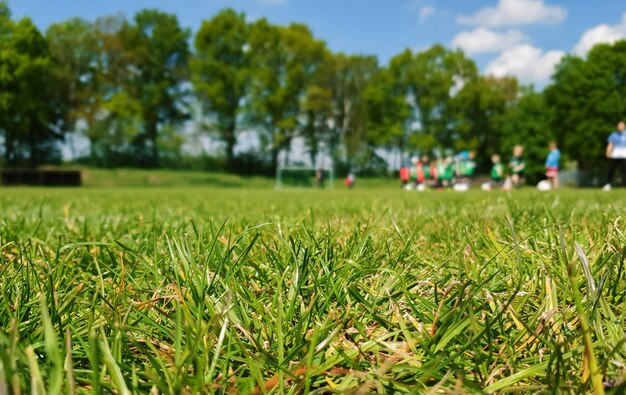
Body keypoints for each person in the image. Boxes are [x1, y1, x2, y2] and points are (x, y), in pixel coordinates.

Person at [603, 121, 626, 191]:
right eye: (619, 126)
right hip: (615, 154)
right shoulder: (613, 135)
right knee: (611, 170)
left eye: (621, 126)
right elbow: (610, 144)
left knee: (624, 171)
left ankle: (624, 185)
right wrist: (608, 152)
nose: (620, 127)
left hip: (624, 154)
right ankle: (607, 184)